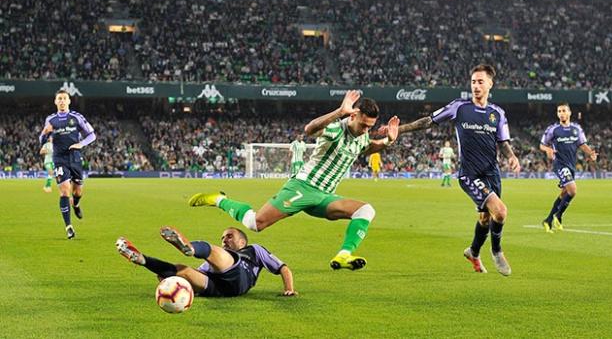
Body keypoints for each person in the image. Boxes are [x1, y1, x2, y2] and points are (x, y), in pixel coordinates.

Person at [188, 91, 400, 271]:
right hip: (303, 187)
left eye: (369, 127)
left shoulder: (362, 135)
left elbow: (367, 146)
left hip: (325, 197)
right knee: (255, 223)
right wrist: (339, 112)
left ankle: (344, 255)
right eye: (363, 124)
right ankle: (218, 199)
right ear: (353, 115)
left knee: (366, 210)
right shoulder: (337, 128)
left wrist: (388, 140)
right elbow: (310, 129)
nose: (366, 130)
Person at [395, 64, 519, 276]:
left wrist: (512, 156)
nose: (476, 86)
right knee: (500, 211)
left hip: (492, 173)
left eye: (480, 82)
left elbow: (503, 142)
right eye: (473, 82)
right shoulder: (459, 107)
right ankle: (497, 251)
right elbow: (428, 121)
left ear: (490, 84)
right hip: (469, 174)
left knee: (485, 219)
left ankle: (473, 251)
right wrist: (400, 129)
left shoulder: (497, 113)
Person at [116, 226, 297, 297]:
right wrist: (170, 279)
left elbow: (284, 268)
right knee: (182, 271)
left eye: (229, 236)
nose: (225, 239)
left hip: (240, 277)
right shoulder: (218, 259)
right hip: (217, 288)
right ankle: (142, 259)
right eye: (223, 237)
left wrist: (289, 288)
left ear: (242, 241)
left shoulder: (254, 250)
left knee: (220, 254)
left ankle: (191, 249)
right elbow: (199, 274)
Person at [39, 90, 95, 239]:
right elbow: (42, 140)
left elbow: (92, 135)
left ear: (69, 101)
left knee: (77, 192)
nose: (62, 101)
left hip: (75, 158)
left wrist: (81, 144)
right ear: (55, 102)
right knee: (64, 191)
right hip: (59, 159)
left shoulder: (76, 117)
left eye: (64, 98)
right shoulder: (50, 120)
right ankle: (68, 227)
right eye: (59, 99)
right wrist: (44, 134)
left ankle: (76, 204)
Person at [539, 103, 598, 233]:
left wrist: (591, 154)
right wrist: (548, 149)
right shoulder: (553, 129)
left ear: (569, 113)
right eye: (559, 111)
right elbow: (542, 145)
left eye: (564, 111)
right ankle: (558, 216)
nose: (561, 113)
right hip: (559, 164)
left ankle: (548, 220)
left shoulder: (577, 129)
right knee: (573, 190)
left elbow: (582, 144)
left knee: (565, 193)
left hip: (571, 165)